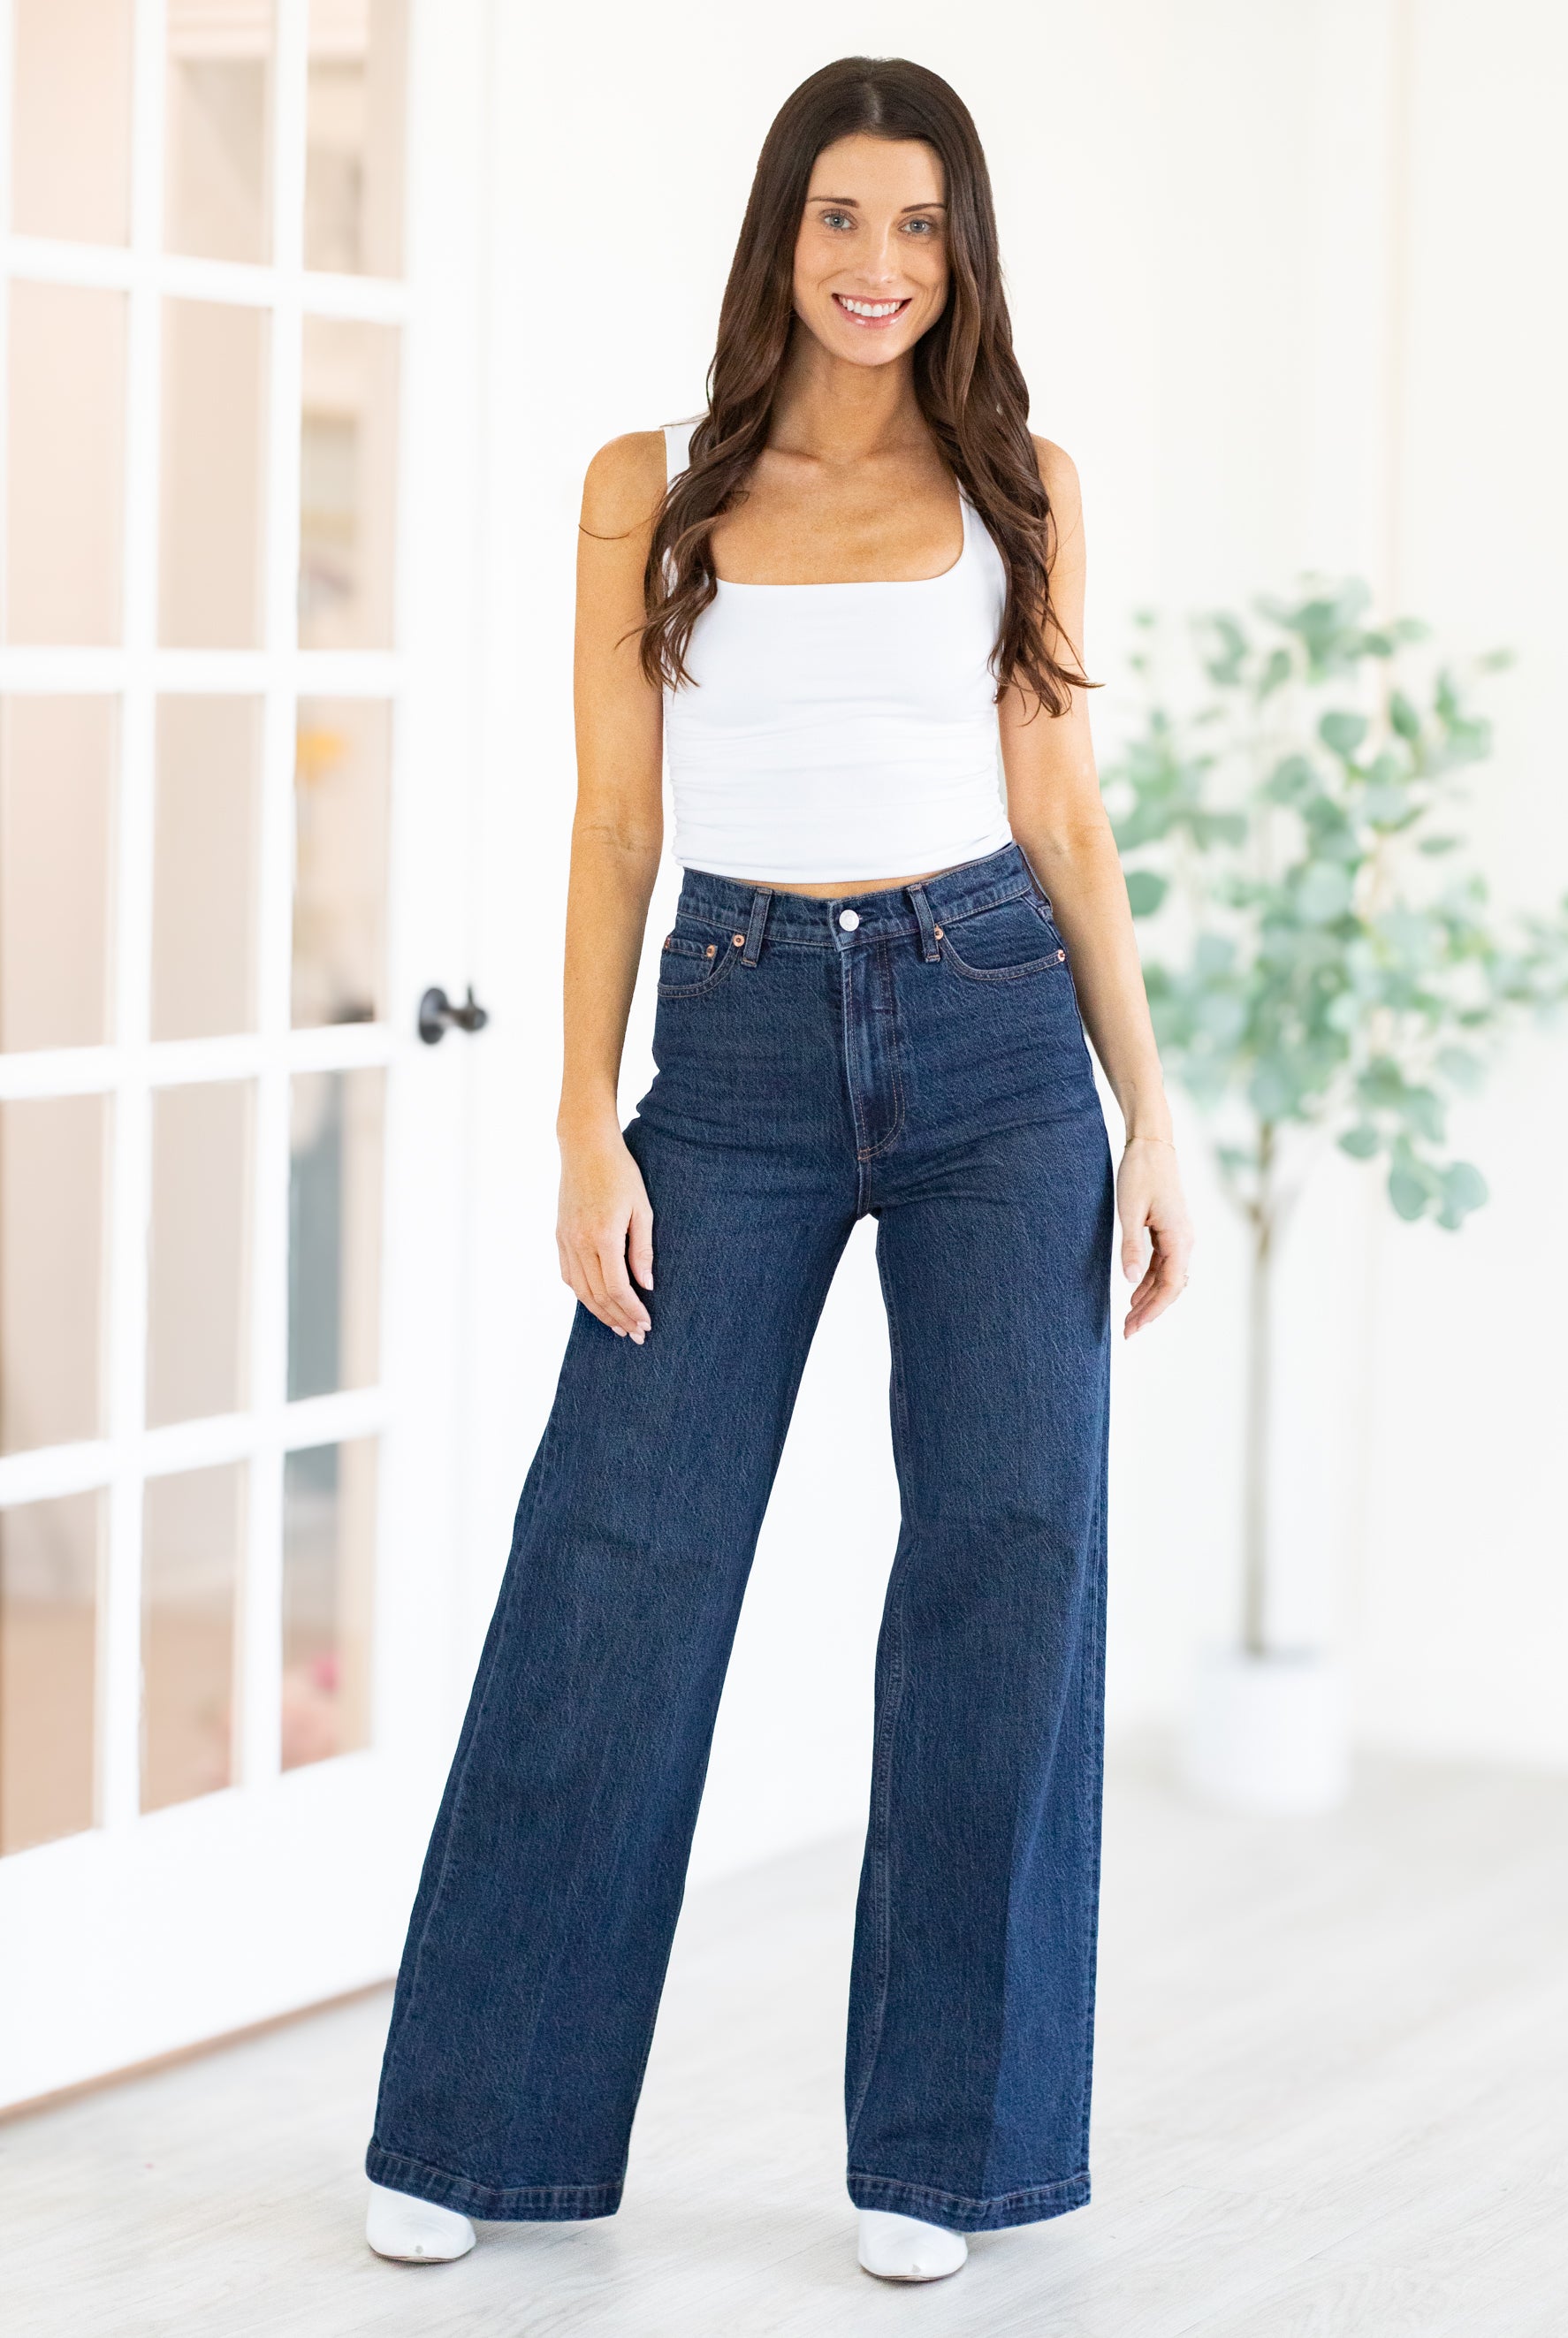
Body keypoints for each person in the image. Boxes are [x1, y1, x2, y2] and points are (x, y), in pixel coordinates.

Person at [362, 53, 1191, 2288]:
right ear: (780, 233)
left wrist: (1155, 1118)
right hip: (726, 1038)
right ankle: (484, 2120)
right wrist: (576, 1121)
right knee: (620, 1553)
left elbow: (1068, 820)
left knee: (1011, 1555)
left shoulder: (1021, 480)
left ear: (963, 255)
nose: (876, 267)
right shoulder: (651, 487)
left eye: (919, 229)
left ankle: (958, 2146)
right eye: (842, 219)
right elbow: (616, 826)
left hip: (1001, 1035)